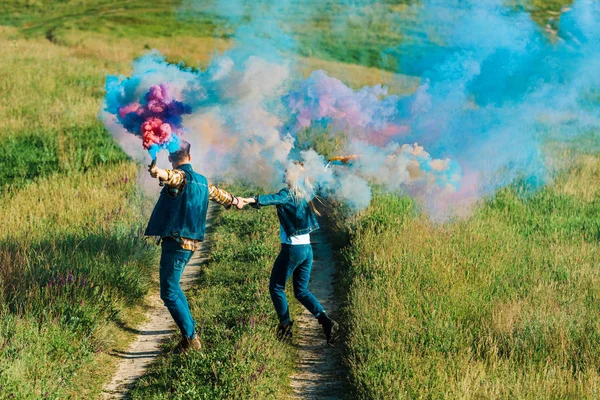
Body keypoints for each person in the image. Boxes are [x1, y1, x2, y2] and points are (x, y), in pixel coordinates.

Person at [145, 140, 243, 353]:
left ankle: (191, 338)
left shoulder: (181, 176)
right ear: (190, 157)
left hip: (177, 242)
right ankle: (189, 334)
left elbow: (171, 176)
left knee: (169, 292)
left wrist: (157, 171)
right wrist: (236, 201)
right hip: (191, 243)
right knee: (173, 287)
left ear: (171, 158)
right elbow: (219, 194)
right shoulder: (202, 181)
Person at [239, 162, 339, 344]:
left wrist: (248, 200)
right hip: (307, 250)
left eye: (286, 171)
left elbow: (271, 199)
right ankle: (325, 320)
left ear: (293, 175)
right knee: (301, 291)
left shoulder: (288, 193)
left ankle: (285, 327)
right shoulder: (305, 191)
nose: (283, 173)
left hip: (292, 250)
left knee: (276, 287)